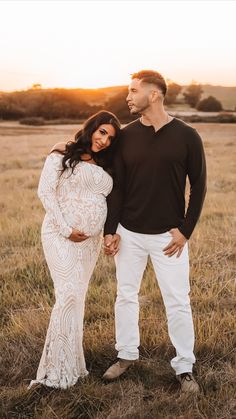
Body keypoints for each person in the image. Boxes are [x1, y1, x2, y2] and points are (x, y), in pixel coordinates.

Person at [102, 70, 207, 394]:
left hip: (168, 238)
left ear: (155, 94)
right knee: (126, 295)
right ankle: (126, 354)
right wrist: (111, 230)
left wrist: (185, 231)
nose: (128, 97)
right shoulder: (127, 136)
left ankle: (184, 366)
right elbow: (117, 187)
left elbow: (199, 186)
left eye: (134, 91)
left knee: (177, 300)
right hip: (129, 233)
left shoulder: (187, 136)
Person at [29, 110, 121, 389]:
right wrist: (66, 228)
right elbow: (45, 192)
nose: (104, 140)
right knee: (67, 294)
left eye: (110, 138)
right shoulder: (63, 151)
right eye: (101, 132)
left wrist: (107, 233)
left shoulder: (107, 163)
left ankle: (73, 364)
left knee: (76, 298)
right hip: (60, 234)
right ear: (91, 128)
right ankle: (55, 372)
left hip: (89, 244)